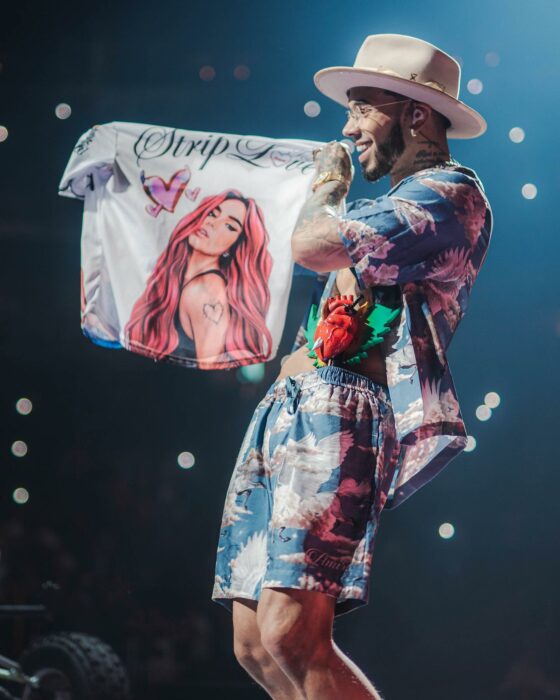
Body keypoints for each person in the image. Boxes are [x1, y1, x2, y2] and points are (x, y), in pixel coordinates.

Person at [212, 34, 493, 699]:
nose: (347, 127)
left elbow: (312, 244)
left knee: (292, 634)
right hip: (292, 409)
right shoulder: (385, 204)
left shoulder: (450, 197)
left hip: (343, 415)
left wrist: (323, 192)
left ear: (416, 115)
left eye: (363, 108)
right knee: (255, 643)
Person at [125, 189, 273, 369]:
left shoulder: (206, 290)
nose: (212, 223)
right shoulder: (176, 278)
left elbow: (210, 374)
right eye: (212, 213)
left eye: (230, 226)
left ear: (235, 245)